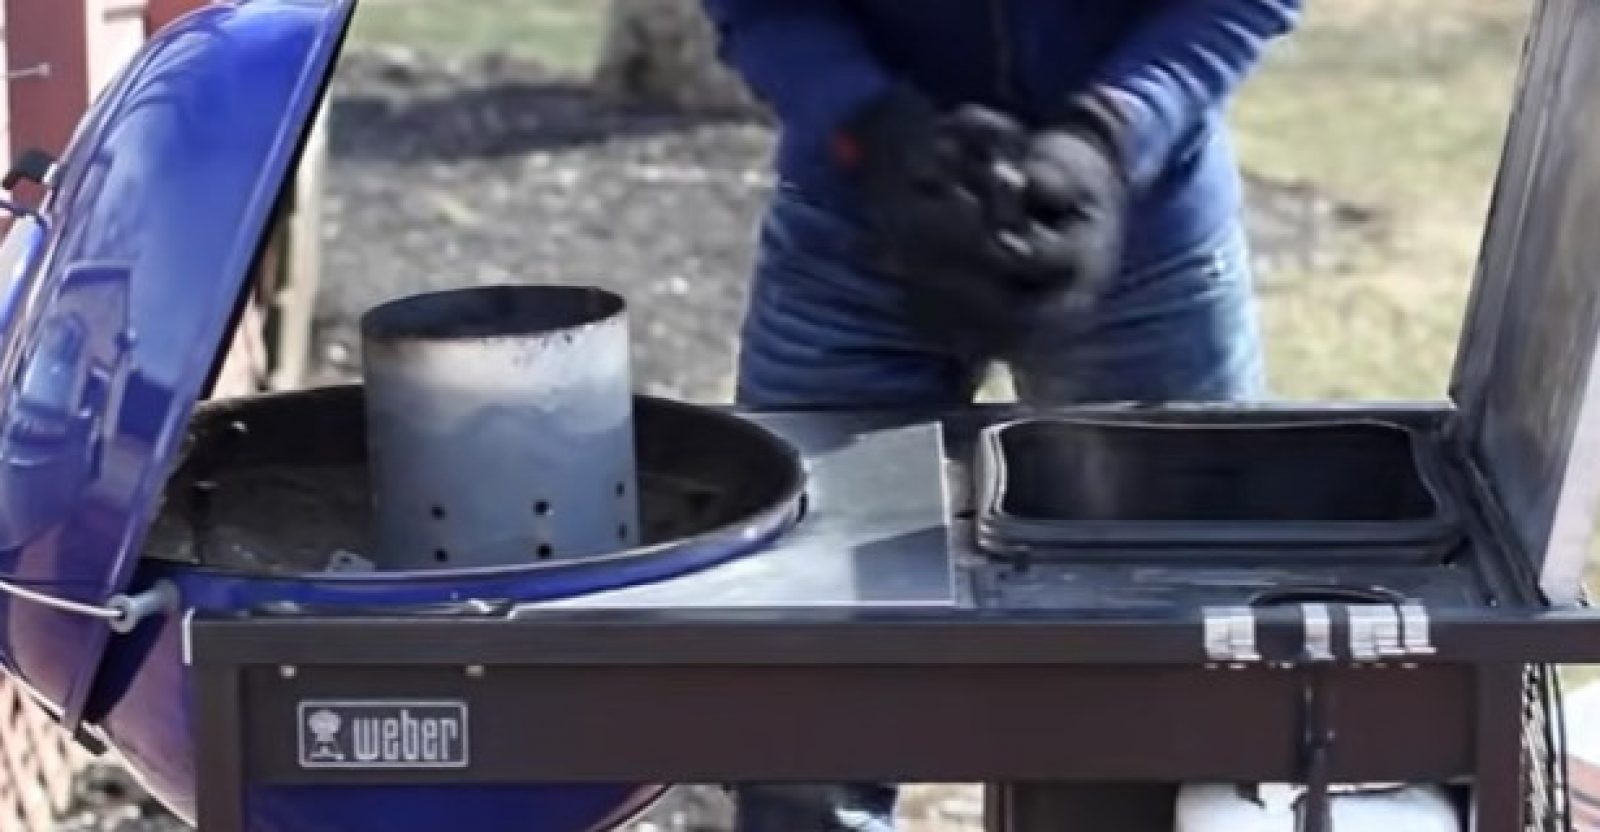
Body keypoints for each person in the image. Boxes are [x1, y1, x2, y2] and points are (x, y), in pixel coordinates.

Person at [699, 1, 1304, 830]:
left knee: (1172, 683)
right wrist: (869, 127)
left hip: (1141, 237)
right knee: (810, 710)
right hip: (855, 235)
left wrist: (1111, 136)